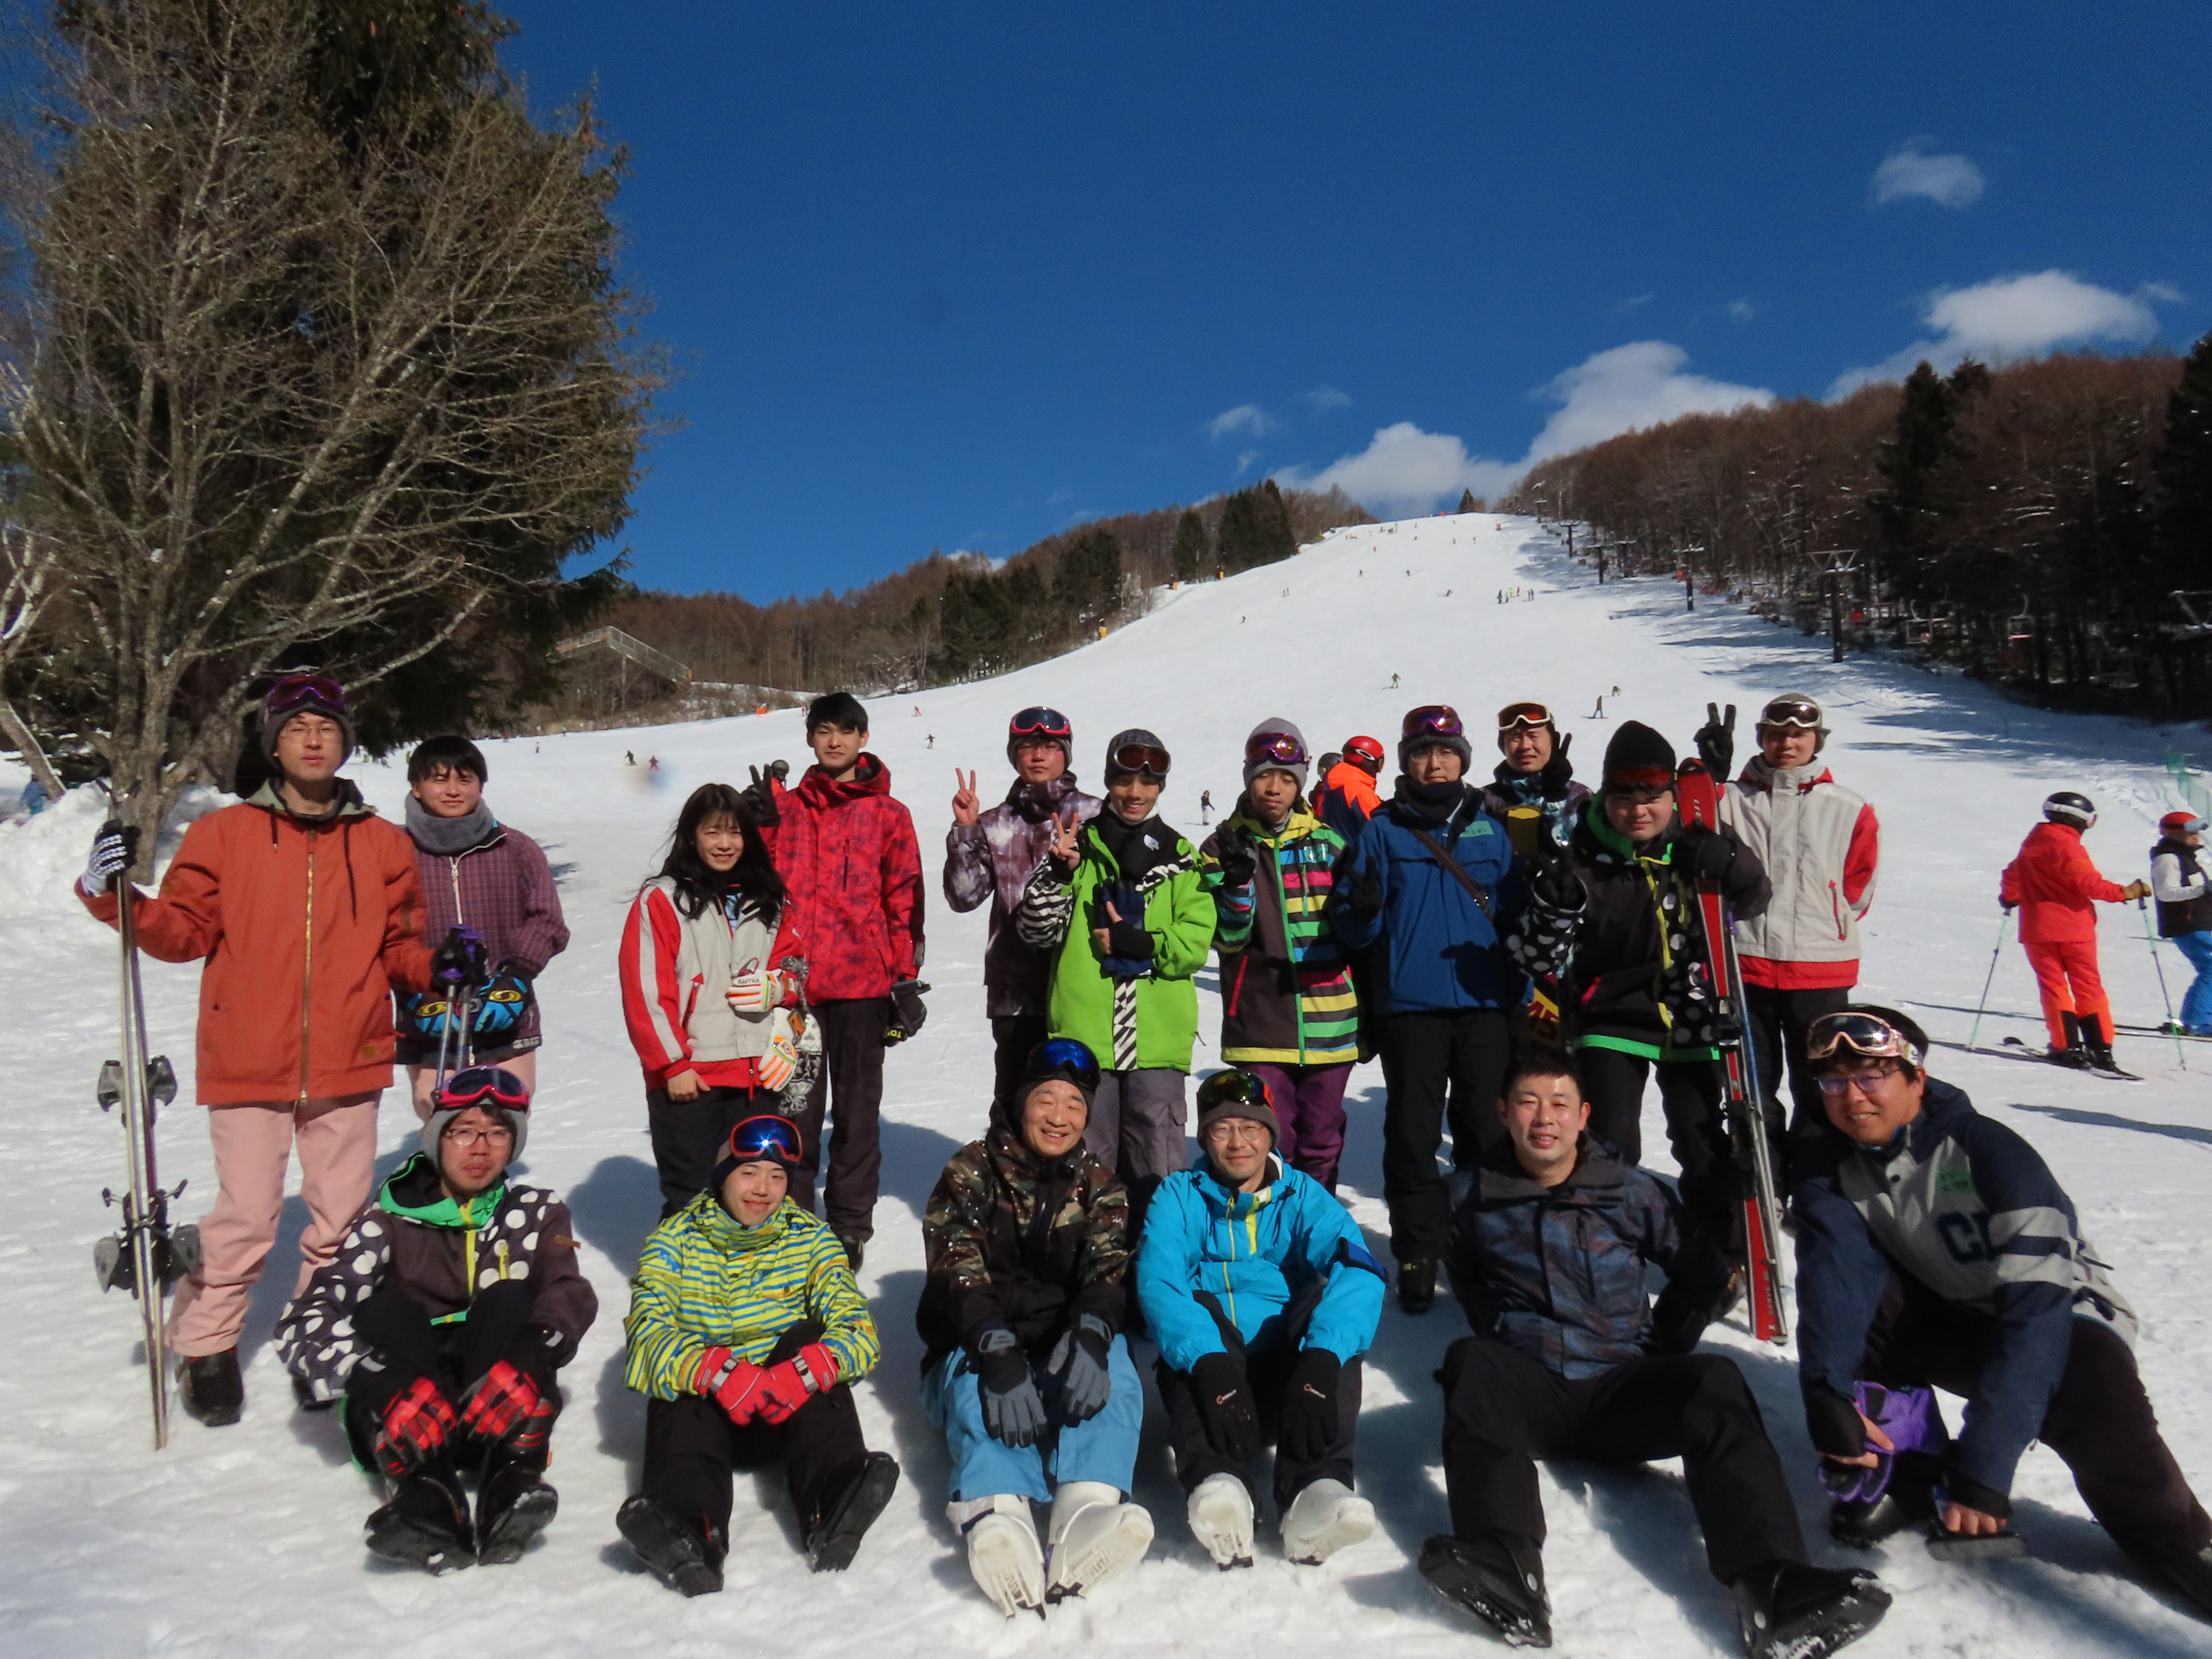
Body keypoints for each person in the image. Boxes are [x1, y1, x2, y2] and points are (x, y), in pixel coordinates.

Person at [1425, 1052, 1889, 1657]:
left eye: (1561, 1103)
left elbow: (1704, 1273)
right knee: (1473, 1359)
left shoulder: (1629, 1191)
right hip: (1532, 1393)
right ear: (1504, 1113)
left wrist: (1662, 1347)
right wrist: (1507, 1333)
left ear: (1584, 1114)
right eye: (1530, 1102)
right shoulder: (1470, 1197)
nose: (1546, 1118)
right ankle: (1506, 1565)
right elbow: (1467, 1276)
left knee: (1715, 1379)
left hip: (1625, 1390)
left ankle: (1774, 1584)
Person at [74, 672, 440, 1425]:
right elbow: (182, 932)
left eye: (328, 727)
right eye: (297, 727)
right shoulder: (225, 835)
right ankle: (206, 1345)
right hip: (247, 1057)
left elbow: (403, 944)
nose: (313, 738)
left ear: (345, 743)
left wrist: (443, 967)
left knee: (339, 1215)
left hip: (350, 1053)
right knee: (245, 1212)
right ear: (273, 744)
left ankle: (321, 1335)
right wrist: (110, 892)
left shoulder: (381, 843)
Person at [1791, 1007, 2212, 1613]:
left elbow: (2035, 1310)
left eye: (1870, 1077)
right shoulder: (1827, 1164)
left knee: (2090, 1393)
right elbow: (1835, 1279)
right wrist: (1826, 1394)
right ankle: (1908, 1474)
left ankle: (2173, 1537)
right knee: (1868, 1300)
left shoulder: (1991, 1152)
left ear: (1916, 1078)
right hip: (1955, 1312)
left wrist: (1986, 1467)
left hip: (2061, 1316)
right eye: (1834, 1082)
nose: (1852, 1097)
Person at [275, 1066, 597, 1572]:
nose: (480, 1148)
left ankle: (510, 1482)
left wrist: (535, 1353)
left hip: (497, 1409)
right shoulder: (386, 1220)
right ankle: (426, 1496)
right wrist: (376, 1378)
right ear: (437, 1139)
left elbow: (570, 1291)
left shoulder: (536, 1212)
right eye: (463, 1131)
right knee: (384, 1311)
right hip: (409, 1418)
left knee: (511, 1300)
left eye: (498, 1134)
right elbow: (303, 1322)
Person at [617, 1116, 900, 1595]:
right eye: (748, 1173)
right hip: (710, 1414)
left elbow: (858, 1327)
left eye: (776, 1176)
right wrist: (713, 1370)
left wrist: (807, 1369)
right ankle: (690, 1528)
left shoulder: (810, 1238)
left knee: (809, 1335)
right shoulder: (675, 1241)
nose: (763, 1190)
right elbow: (646, 1331)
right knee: (679, 1369)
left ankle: (833, 1500)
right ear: (722, 1174)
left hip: (787, 1410)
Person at [919, 1039, 1151, 1616]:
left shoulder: (1101, 1186)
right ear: (1021, 1103)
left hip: (1056, 1345)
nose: (1059, 1116)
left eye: (1075, 1104)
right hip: (976, 1345)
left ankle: (1086, 1509)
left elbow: (1107, 1269)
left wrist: (1093, 1333)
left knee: (1117, 1372)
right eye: (1046, 1099)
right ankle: (1000, 1516)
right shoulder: (971, 1171)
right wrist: (995, 1349)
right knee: (979, 1391)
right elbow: (957, 1270)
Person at [1329, 705, 1544, 1314]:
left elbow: (1517, 917)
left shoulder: (1493, 826)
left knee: (1484, 1129)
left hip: (1485, 1004)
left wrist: (1521, 993)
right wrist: (1365, 909)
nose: (1434, 762)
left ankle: (1482, 1241)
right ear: (1407, 763)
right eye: (1422, 753)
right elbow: (1354, 930)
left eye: (1445, 753)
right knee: (1414, 1133)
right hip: (1412, 1009)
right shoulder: (1383, 830)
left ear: (1463, 760)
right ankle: (1419, 1250)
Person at [1137, 1070, 1385, 1569]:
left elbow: (1358, 1265)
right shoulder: (1179, 1196)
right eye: (1222, 1129)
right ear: (1205, 1137)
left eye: (1251, 1128)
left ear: (1270, 1134)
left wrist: (1319, 1360)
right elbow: (1159, 1279)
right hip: (1213, 1384)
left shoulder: (1301, 1196)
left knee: (1325, 1311)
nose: (1238, 1142)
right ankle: (1220, 1483)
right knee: (1195, 1311)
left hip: (1291, 1387)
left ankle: (1316, 1489)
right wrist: (1208, 1363)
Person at [1557, 720, 1769, 1249]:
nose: (1638, 810)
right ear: (1607, 797)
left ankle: (1717, 1247)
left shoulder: (1695, 844)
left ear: (1671, 796)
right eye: (1625, 798)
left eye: (1651, 797)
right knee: (1613, 1140)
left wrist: (1731, 863)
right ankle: (1609, 1243)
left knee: (1700, 1143)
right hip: (1611, 1013)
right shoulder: (1585, 856)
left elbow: (1756, 895)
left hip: (1692, 1013)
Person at [748, 691, 925, 1266]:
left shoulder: (889, 815)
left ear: (863, 739)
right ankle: (794, 1223)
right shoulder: (788, 808)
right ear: (810, 739)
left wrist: (904, 977)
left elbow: (905, 900)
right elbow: (756, 884)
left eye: (846, 731)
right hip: (796, 988)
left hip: (863, 985)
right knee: (795, 1105)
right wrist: (761, 827)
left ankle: (849, 1224)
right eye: (824, 731)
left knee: (856, 1111)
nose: (835, 741)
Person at [1016, 728, 1211, 1190]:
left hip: (1157, 1038)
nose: (1135, 794)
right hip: (1085, 1037)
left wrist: (1143, 944)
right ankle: (1088, 1260)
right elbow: (1035, 931)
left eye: (1147, 784)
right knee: (1087, 1165)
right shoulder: (1076, 848)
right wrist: (1060, 878)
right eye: (1124, 781)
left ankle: (1158, 1261)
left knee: (1158, 1164)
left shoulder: (1182, 857)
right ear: (1108, 781)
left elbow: (1195, 945)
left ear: (1161, 787)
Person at [620, 783, 805, 1218]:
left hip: (760, 1074)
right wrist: (673, 1065)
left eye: (736, 833)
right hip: (693, 1077)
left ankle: (753, 1283)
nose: (725, 844)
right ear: (691, 837)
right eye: (713, 833)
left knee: (757, 1196)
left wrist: (781, 989)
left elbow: (797, 968)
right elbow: (647, 990)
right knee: (694, 1194)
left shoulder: (771, 899)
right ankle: (684, 1283)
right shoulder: (663, 899)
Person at [1708, 695, 1879, 1150]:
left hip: (1820, 966)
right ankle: (1768, 1180)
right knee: (1752, 1082)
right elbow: (1689, 825)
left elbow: (1858, 889)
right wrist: (1706, 776)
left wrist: (1829, 915)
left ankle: (1817, 1180)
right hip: (1745, 961)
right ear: (1762, 738)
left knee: (1822, 1082)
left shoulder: (1848, 808)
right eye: (1776, 734)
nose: (1787, 743)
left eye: (1798, 734)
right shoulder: (1728, 799)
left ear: (1816, 741)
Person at [1200, 719, 1362, 1190]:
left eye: (1287, 778)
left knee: (1323, 1138)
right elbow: (1228, 939)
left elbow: (1353, 932)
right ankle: (1270, 1240)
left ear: (1301, 783)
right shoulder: (1221, 847)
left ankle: (1315, 1232)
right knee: (1272, 1138)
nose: (1274, 787)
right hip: (1260, 1016)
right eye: (1264, 775)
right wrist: (1236, 884)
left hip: (1331, 1018)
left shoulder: (1329, 844)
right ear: (1248, 776)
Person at [398, 735, 570, 1118]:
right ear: (416, 787)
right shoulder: (395, 851)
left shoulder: (516, 848)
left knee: (503, 1117)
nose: (454, 790)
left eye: (466, 779)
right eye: (440, 780)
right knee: (439, 1116)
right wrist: (415, 987)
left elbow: (548, 920)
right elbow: (382, 929)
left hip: (506, 1016)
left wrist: (516, 977)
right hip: (430, 1014)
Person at [943, 707, 1102, 1117]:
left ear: (1066, 755)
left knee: (1080, 1106)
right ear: (1015, 755)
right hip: (1015, 992)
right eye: (1028, 746)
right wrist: (965, 831)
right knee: (1016, 1103)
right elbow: (964, 897)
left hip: (1081, 989)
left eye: (1050, 746)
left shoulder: (1097, 817)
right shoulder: (996, 822)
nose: (1038, 755)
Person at [1998, 792, 2149, 1070]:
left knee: (2053, 987)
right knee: (2088, 986)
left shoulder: (2032, 844)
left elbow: (2013, 875)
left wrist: (2009, 898)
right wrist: (2125, 892)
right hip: (2075, 929)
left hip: (2037, 930)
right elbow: (2089, 884)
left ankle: (2065, 1045)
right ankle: (2100, 1047)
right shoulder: (2069, 847)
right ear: (2079, 821)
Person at [1476, 701, 1588, 860]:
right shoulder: (1482, 802)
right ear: (1503, 746)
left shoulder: (1580, 798)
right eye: (1515, 737)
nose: (1525, 746)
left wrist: (1556, 798)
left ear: (1553, 742)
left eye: (1533, 736)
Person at [2150, 810, 2211, 1036]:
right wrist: (2204, 889)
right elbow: (2166, 893)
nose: (2197, 837)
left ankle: (2200, 1018)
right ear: (2175, 834)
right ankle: (2196, 1020)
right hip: (2186, 924)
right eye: (2191, 832)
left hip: (2200, 922)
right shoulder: (2168, 858)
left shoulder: (2188, 858)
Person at [1310, 734, 1385, 844]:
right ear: (1368, 759)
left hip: (1337, 854)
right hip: (1360, 857)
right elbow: (1380, 828)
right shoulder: (1358, 789)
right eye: (1380, 763)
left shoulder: (1336, 785)